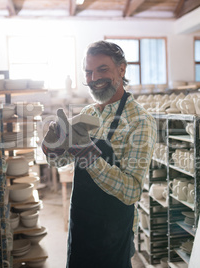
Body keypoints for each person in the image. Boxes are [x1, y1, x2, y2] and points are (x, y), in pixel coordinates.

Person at [42, 40, 157, 268]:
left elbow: (132, 190)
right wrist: (53, 149)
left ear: (121, 69)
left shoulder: (140, 121)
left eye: (102, 69)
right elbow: (63, 161)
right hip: (81, 226)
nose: (94, 78)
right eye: (88, 72)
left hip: (112, 235)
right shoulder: (87, 113)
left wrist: (89, 155)